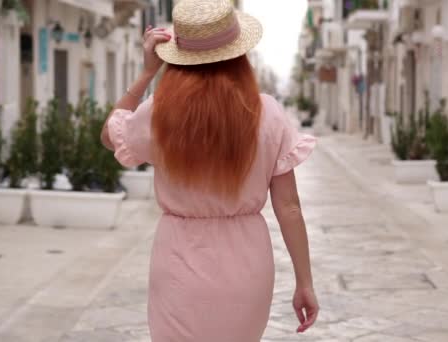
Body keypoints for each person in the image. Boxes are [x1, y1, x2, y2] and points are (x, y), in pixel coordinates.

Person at [101, 0, 319, 341]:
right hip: (246, 265)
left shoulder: (161, 114)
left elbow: (109, 135)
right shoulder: (268, 114)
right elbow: (289, 207)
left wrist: (146, 74)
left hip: (177, 263)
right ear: (239, 54)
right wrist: (304, 282)